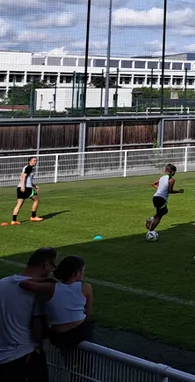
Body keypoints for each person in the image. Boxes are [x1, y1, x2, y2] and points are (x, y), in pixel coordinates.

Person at [0, 247, 56, 381]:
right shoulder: (38, 292)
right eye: (52, 267)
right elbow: (38, 332)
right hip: (24, 355)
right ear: (46, 264)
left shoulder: (2, 283)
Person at [21, 255, 93, 349]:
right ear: (77, 273)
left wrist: (45, 280)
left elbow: (24, 283)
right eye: (82, 270)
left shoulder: (50, 287)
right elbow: (88, 313)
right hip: (79, 332)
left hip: (58, 335)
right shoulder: (85, 287)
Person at [146, 164, 183, 232]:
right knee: (159, 216)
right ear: (172, 171)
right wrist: (178, 191)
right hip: (162, 199)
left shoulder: (162, 178)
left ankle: (151, 219)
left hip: (155, 197)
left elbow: (153, 184)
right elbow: (170, 191)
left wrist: (160, 188)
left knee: (164, 211)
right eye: (174, 171)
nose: (175, 173)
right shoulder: (171, 180)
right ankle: (150, 232)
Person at [7, 157, 41, 226]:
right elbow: (24, 176)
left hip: (20, 187)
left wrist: (34, 185)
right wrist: (23, 186)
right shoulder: (29, 167)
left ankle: (14, 220)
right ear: (29, 161)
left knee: (19, 204)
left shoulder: (26, 167)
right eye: (34, 161)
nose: (35, 162)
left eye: (36, 161)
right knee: (36, 200)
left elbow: (27, 179)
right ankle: (33, 216)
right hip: (26, 188)